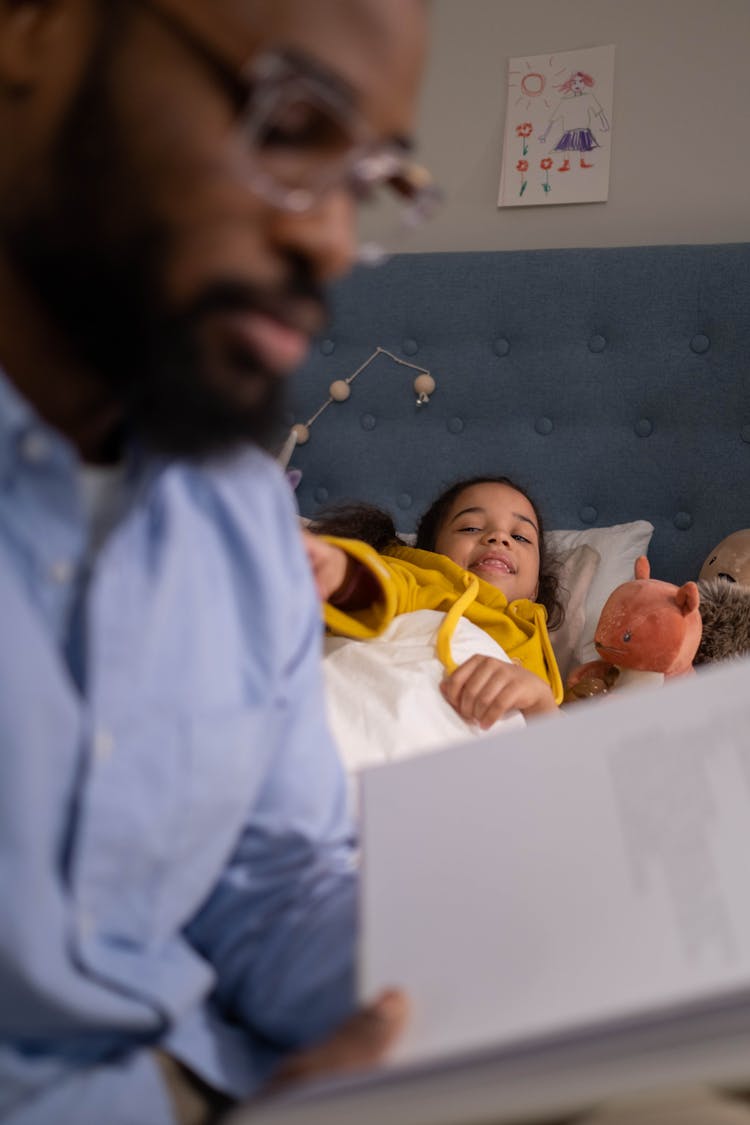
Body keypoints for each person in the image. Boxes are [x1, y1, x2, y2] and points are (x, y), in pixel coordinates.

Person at [0, 0, 431, 1121]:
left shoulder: (236, 513)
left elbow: (268, 881)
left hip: (220, 1062)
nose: (330, 240)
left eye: (369, 178)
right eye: (292, 126)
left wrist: (496, 955)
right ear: (33, 28)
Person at [306, 476, 565, 733]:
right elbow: (387, 585)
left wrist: (540, 701)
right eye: (471, 528)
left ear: (535, 588)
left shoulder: (539, 650)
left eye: (520, 537)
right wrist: (343, 574)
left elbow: (562, 756)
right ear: (431, 552)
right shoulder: (424, 581)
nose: (499, 537)